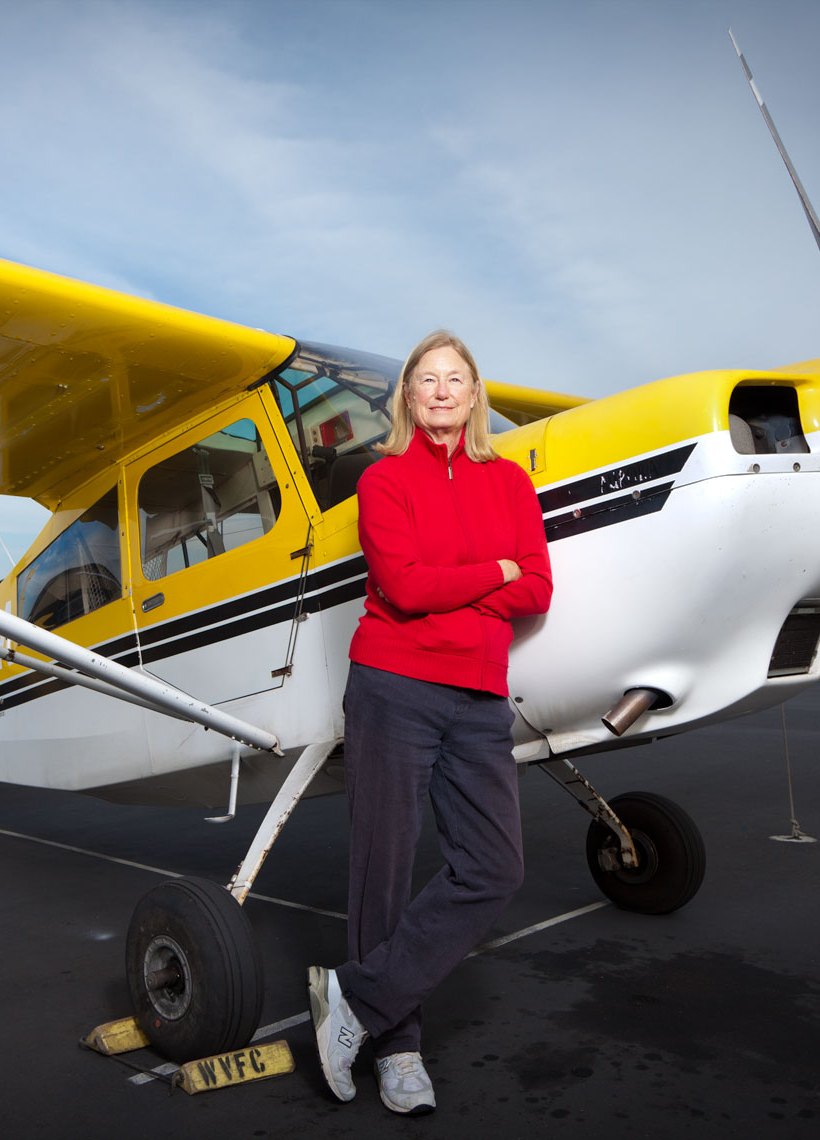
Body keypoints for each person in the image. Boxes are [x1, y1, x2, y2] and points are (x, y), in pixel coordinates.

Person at [309, 330, 554, 1114]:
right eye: (427, 379)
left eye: (456, 379)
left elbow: (538, 589)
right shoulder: (383, 480)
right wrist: (495, 573)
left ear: (474, 395)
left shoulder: (510, 482)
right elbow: (406, 589)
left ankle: (354, 1000)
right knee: (382, 871)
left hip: (479, 695)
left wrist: (470, 581)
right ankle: (399, 1049)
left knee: (494, 868)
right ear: (409, 398)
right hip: (394, 686)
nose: (442, 391)